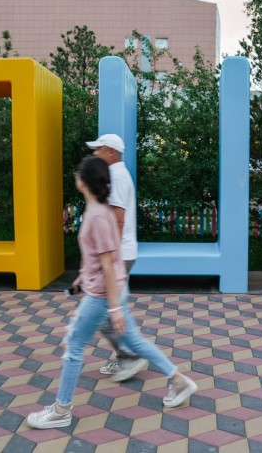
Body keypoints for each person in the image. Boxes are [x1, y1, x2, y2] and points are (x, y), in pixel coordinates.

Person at [26, 156, 197, 429]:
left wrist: (114, 307)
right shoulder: (98, 210)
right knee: (135, 342)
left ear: (84, 181)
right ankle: (178, 381)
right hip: (111, 288)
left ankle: (61, 410)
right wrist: (83, 277)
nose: (76, 176)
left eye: (78, 173)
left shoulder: (97, 215)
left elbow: (107, 261)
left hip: (103, 295)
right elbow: (100, 256)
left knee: (74, 346)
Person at [85, 133, 145, 382]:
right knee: (114, 311)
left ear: (111, 152)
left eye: (98, 149)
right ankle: (128, 355)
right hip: (123, 252)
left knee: (104, 313)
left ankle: (129, 356)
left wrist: (110, 254)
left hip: (120, 253)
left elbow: (118, 218)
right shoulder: (117, 174)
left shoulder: (118, 177)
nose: (95, 153)